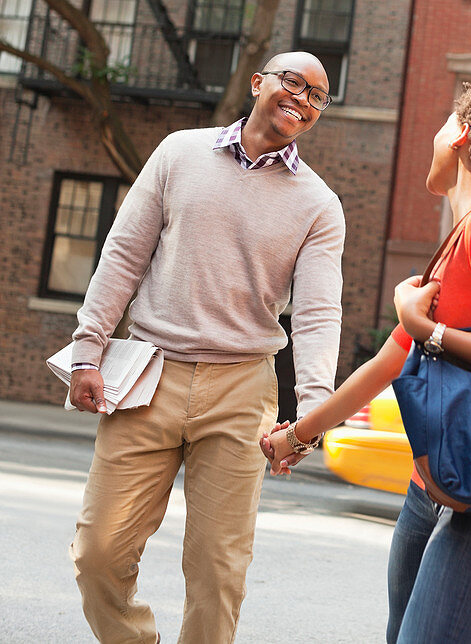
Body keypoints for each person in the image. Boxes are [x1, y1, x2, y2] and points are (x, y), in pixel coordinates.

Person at [261, 67, 471, 644]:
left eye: (445, 120)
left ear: (462, 135)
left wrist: (426, 327)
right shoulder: (464, 235)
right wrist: (297, 436)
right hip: (439, 483)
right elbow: (386, 364)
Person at [67, 51, 345, 644]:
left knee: (219, 570)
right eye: (292, 82)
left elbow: (319, 314)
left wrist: (313, 411)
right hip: (147, 375)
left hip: (242, 389)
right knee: (97, 553)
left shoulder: (319, 204)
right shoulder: (178, 153)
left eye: (317, 96)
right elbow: (123, 254)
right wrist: (88, 350)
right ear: (258, 83)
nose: (302, 98)